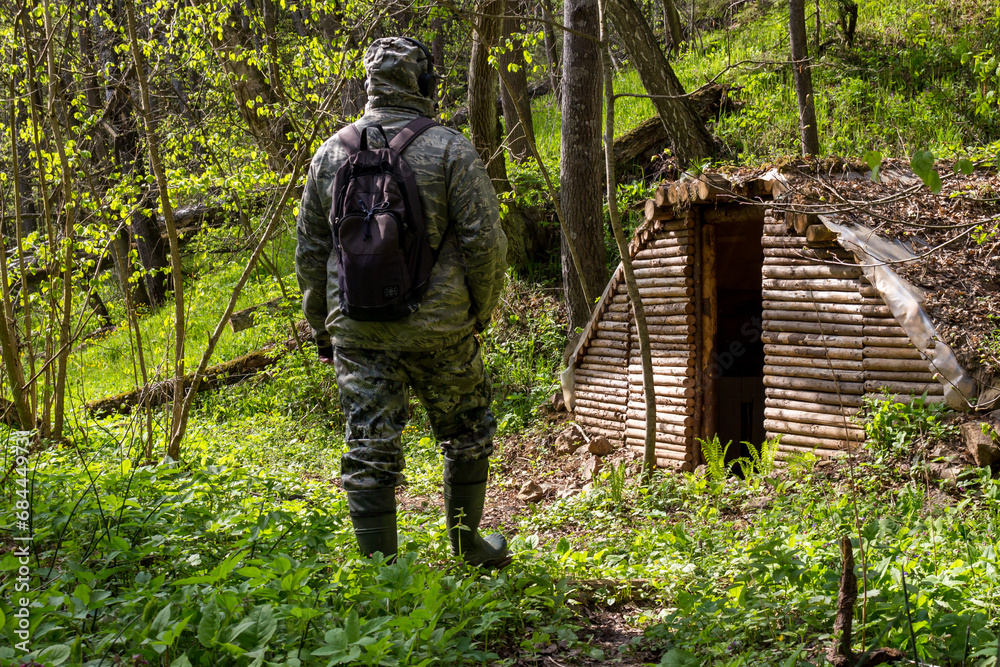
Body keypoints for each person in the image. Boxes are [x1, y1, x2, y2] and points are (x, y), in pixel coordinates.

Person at [295, 36, 509, 568]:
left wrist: (323, 328)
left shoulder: (329, 154)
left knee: (368, 445)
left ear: (368, 86)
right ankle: (468, 547)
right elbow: (486, 244)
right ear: (424, 83)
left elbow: (310, 252)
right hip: (442, 329)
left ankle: (381, 572)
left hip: (358, 329)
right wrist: (479, 312)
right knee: (465, 432)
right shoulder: (450, 148)